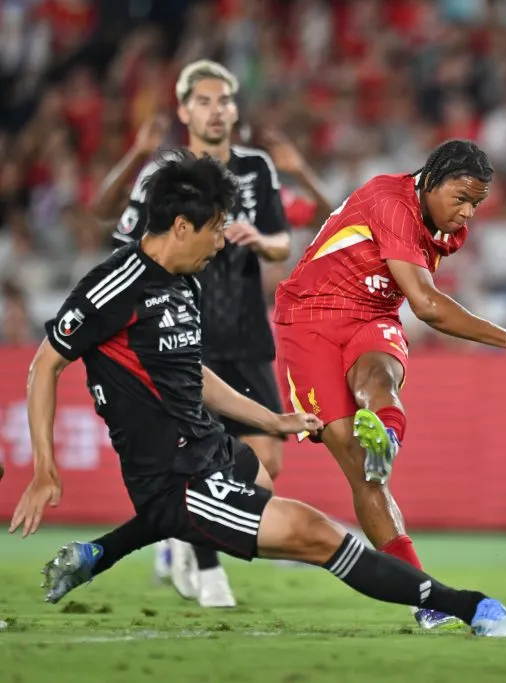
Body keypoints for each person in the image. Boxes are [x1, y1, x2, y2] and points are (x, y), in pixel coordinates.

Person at [7, 151, 506, 638]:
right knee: (318, 534)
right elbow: (45, 365)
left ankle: (99, 553)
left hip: (213, 450)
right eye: (215, 231)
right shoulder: (113, 288)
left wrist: (272, 420)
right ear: (182, 226)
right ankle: (469, 606)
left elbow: (195, 375)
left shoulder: (184, 283)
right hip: (177, 476)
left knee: (260, 476)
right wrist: (46, 471)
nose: (220, 245)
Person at [273, 139, 506, 630]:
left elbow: (411, 301)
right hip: (310, 317)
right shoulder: (389, 201)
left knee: (379, 376)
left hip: (372, 314)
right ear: (430, 179)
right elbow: (425, 304)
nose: (466, 214)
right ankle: (423, 593)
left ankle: (389, 437)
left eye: (476, 204)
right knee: (359, 471)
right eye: (461, 198)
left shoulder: (447, 229)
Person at [91, 59, 334, 608]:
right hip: (183, 334)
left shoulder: (256, 168)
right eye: (203, 101)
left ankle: (179, 535)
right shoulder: (166, 173)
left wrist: (255, 238)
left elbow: (282, 242)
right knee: (199, 454)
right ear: (184, 110)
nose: (216, 110)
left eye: (223, 100)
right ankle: (205, 563)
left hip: (246, 335)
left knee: (266, 463)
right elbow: (120, 233)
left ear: (235, 108)